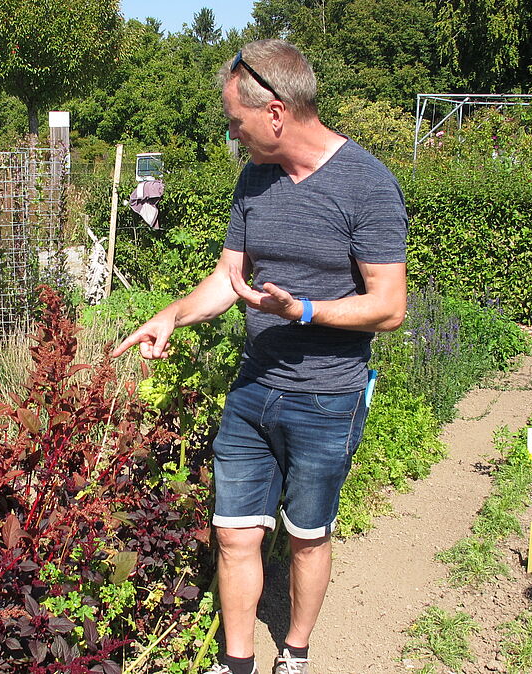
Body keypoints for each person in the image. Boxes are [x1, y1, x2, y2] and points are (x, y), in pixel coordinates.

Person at [111, 39, 408, 674]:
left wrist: (305, 310)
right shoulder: (255, 178)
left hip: (327, 395)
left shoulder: (366, 184)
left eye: (235, 121)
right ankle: (237, 661)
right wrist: (171, 315)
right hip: (253, 390)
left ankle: (294, 653)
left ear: (274, 113)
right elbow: (230, 279)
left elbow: (389, 307)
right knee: (234, 532)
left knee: (307, 538)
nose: (231, 134)